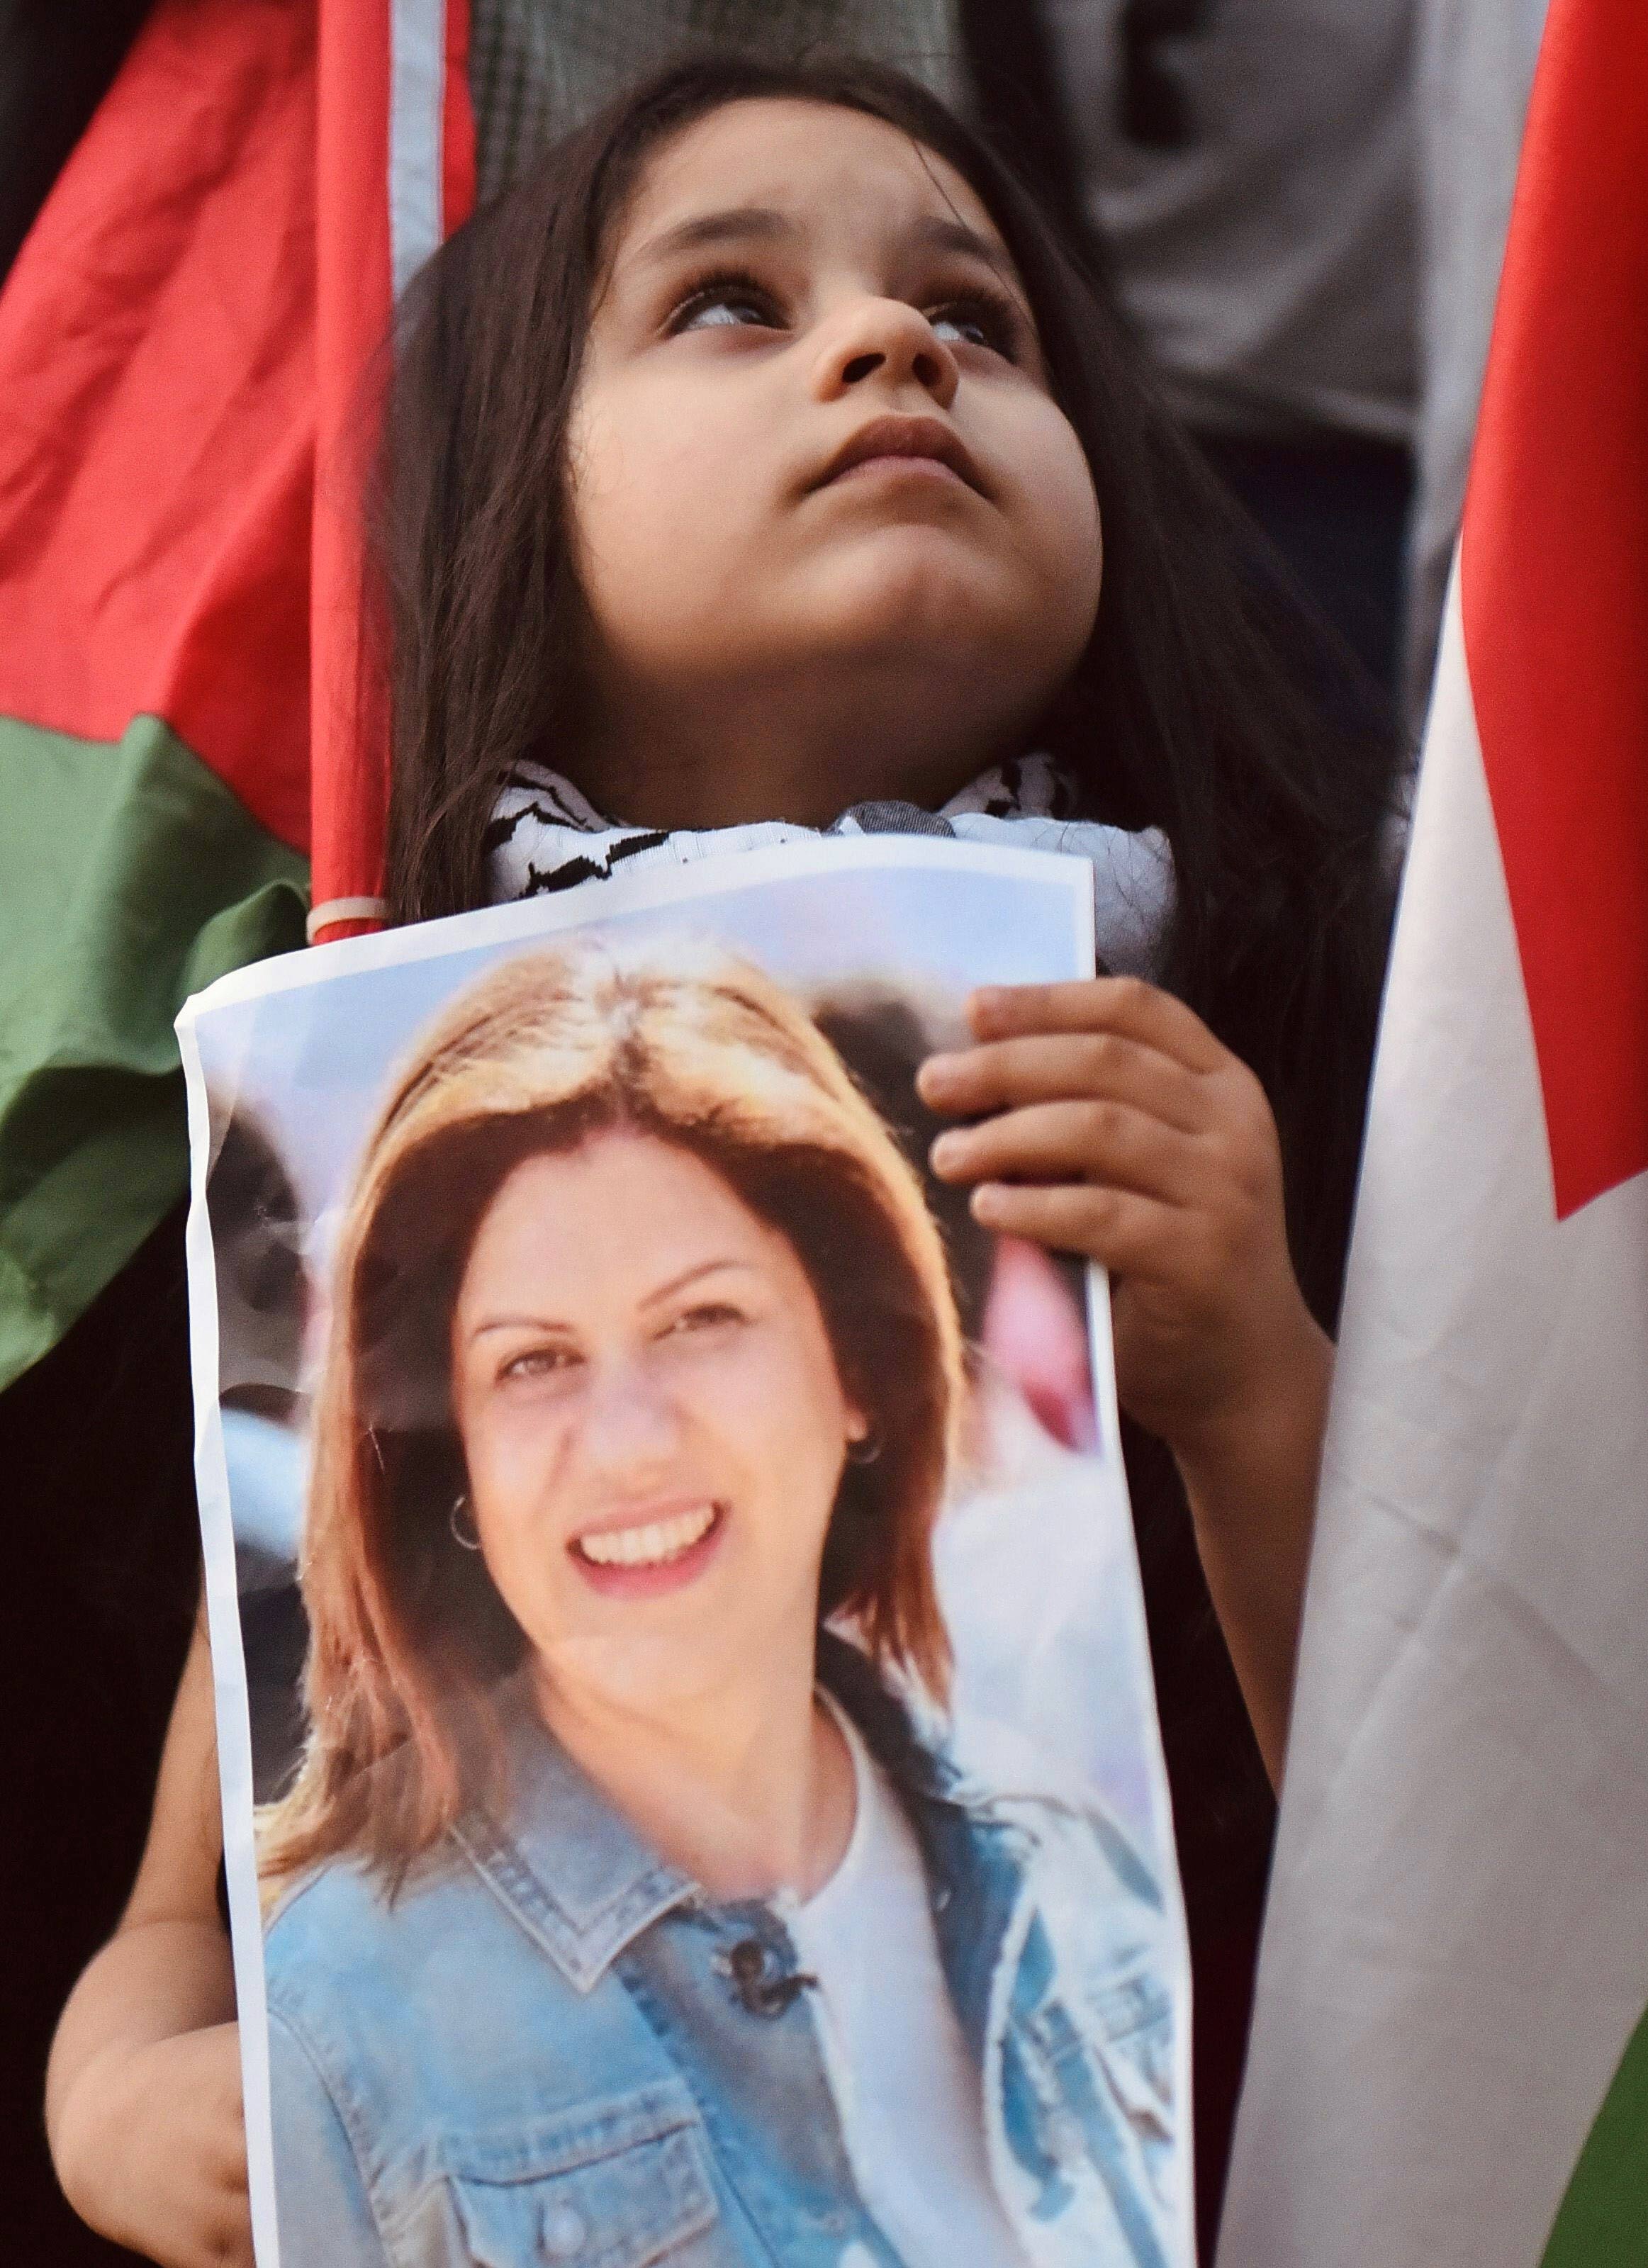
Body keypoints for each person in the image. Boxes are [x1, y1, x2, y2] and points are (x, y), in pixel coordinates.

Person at [48, 49, 1390, 2264]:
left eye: (978, 318)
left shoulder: (1291, 1022)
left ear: (869, 1365)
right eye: (727, 305)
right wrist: (130, 2105)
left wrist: (1252, 1372)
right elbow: (178, 1932)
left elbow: (1467, 1838)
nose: (894, 345)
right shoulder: (381, 1084)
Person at [252, 940, 1179, 2264]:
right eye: (534, 1362)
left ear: (856, 1367)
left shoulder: (1089, 1886)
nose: (626, 1440)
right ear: (452, 1453)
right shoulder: (335, 2031)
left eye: (699, 1322)